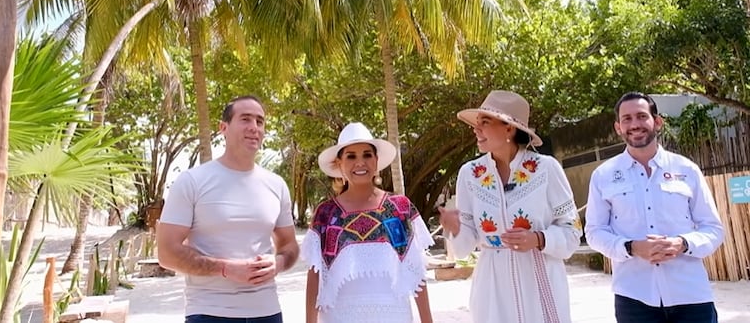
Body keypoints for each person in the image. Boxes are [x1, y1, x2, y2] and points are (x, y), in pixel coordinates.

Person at [438, 90, 581, 323]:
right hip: (492, 285)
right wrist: (454, 228)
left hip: (539, 276)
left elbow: (573, 229)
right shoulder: (470, 174)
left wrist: (538, 238)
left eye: (485, 122)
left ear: (509, 128)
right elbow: (465, 247)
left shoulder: (545, 169)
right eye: (477, 123)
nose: (476, 129)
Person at [156, 95, 299, 323]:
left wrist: (279, 263)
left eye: (260, 121)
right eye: (245, 119)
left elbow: (289, 245)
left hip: (268, 312)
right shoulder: (192, 181)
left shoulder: (276, 185)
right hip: (209, 312)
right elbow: (166, 253)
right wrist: (227, 269)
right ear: (224, 128)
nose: (254, 128)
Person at [585, 92, 724, 323]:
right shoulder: (603, 176)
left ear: (657, 122)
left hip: (691, 295)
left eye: (641, 116)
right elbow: (594, 231)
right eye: (627, 119)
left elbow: (713, 228)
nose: (635, 124)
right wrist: (631, 247)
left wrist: (683, 243)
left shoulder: (686, 169)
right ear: (618, 127)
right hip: (634, 298)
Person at [302, 122, 434, 323]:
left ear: (376, 160)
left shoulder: (399, 208)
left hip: (393, 315)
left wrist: (428, 321)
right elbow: (315, 276)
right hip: (340, 317)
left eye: (366, 155)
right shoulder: (326, 214)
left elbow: (414, 271)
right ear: (339, 164)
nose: (360, 162)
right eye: (351, 156)